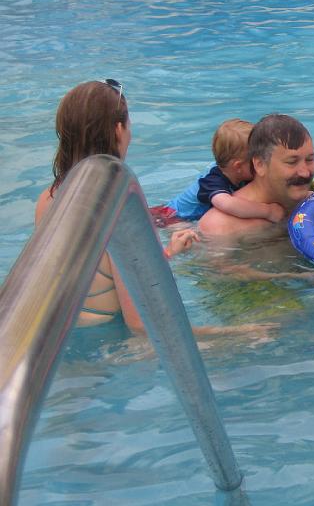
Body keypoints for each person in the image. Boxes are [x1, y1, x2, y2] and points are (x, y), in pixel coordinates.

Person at [35, 80, 198, 331]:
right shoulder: (121, 206)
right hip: (109, 347)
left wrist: (166, 255)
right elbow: (142, 327)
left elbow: (96, 279)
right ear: (118, 130)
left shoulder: (48, 199)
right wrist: (243, 334)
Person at [198, 114, 314, 236]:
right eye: (292, 162)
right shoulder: (220, 228)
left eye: (309, 159)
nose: (305, 173)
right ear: (260, 165)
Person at [149, 119, 283, 227]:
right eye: (256, 161)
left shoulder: (234, 172)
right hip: (170, 218)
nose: (261, 164)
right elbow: (228, 205)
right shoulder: (213, 181)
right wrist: (267, 211)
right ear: (238, 166)